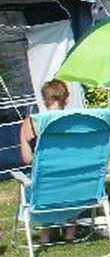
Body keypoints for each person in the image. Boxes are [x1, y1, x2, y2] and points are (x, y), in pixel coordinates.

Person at [19, 79, 77, 244]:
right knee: (69, 173)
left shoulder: (30, 123)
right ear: (66, 99)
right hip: (77, 188)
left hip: (45, 189)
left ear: (44, 100)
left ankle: (45, 235)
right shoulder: (76, 121)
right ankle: (70, 233)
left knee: (43, 177)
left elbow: (27, 159)